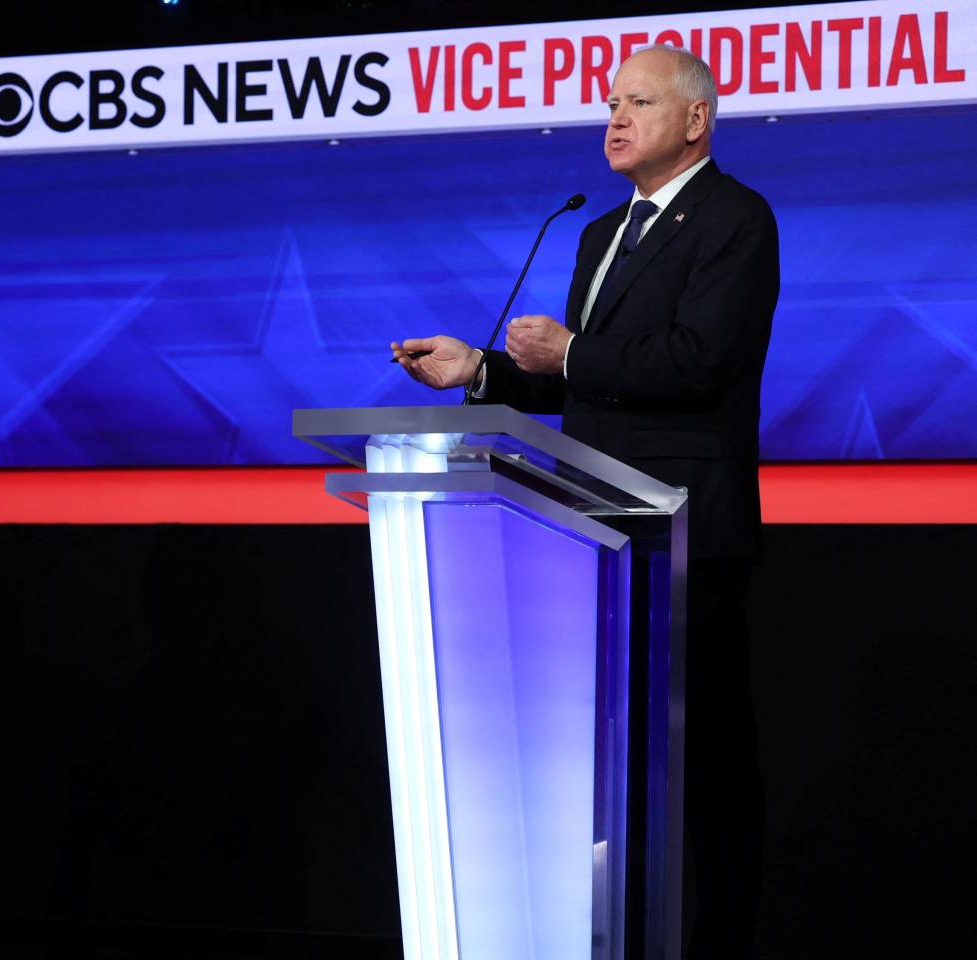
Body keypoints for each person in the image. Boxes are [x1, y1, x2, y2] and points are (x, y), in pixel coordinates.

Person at [391, 46, 776, 958]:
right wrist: (480, 368)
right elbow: (585, 387)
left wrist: (566, 355)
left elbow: (698, 362)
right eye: (610, 102)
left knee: (708, 770)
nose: (613, 118)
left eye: (638, 102)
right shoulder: (598, 234)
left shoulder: (735, 219)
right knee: (614, 773)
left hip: (686, 533)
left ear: (695, 121)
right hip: (594, 535)